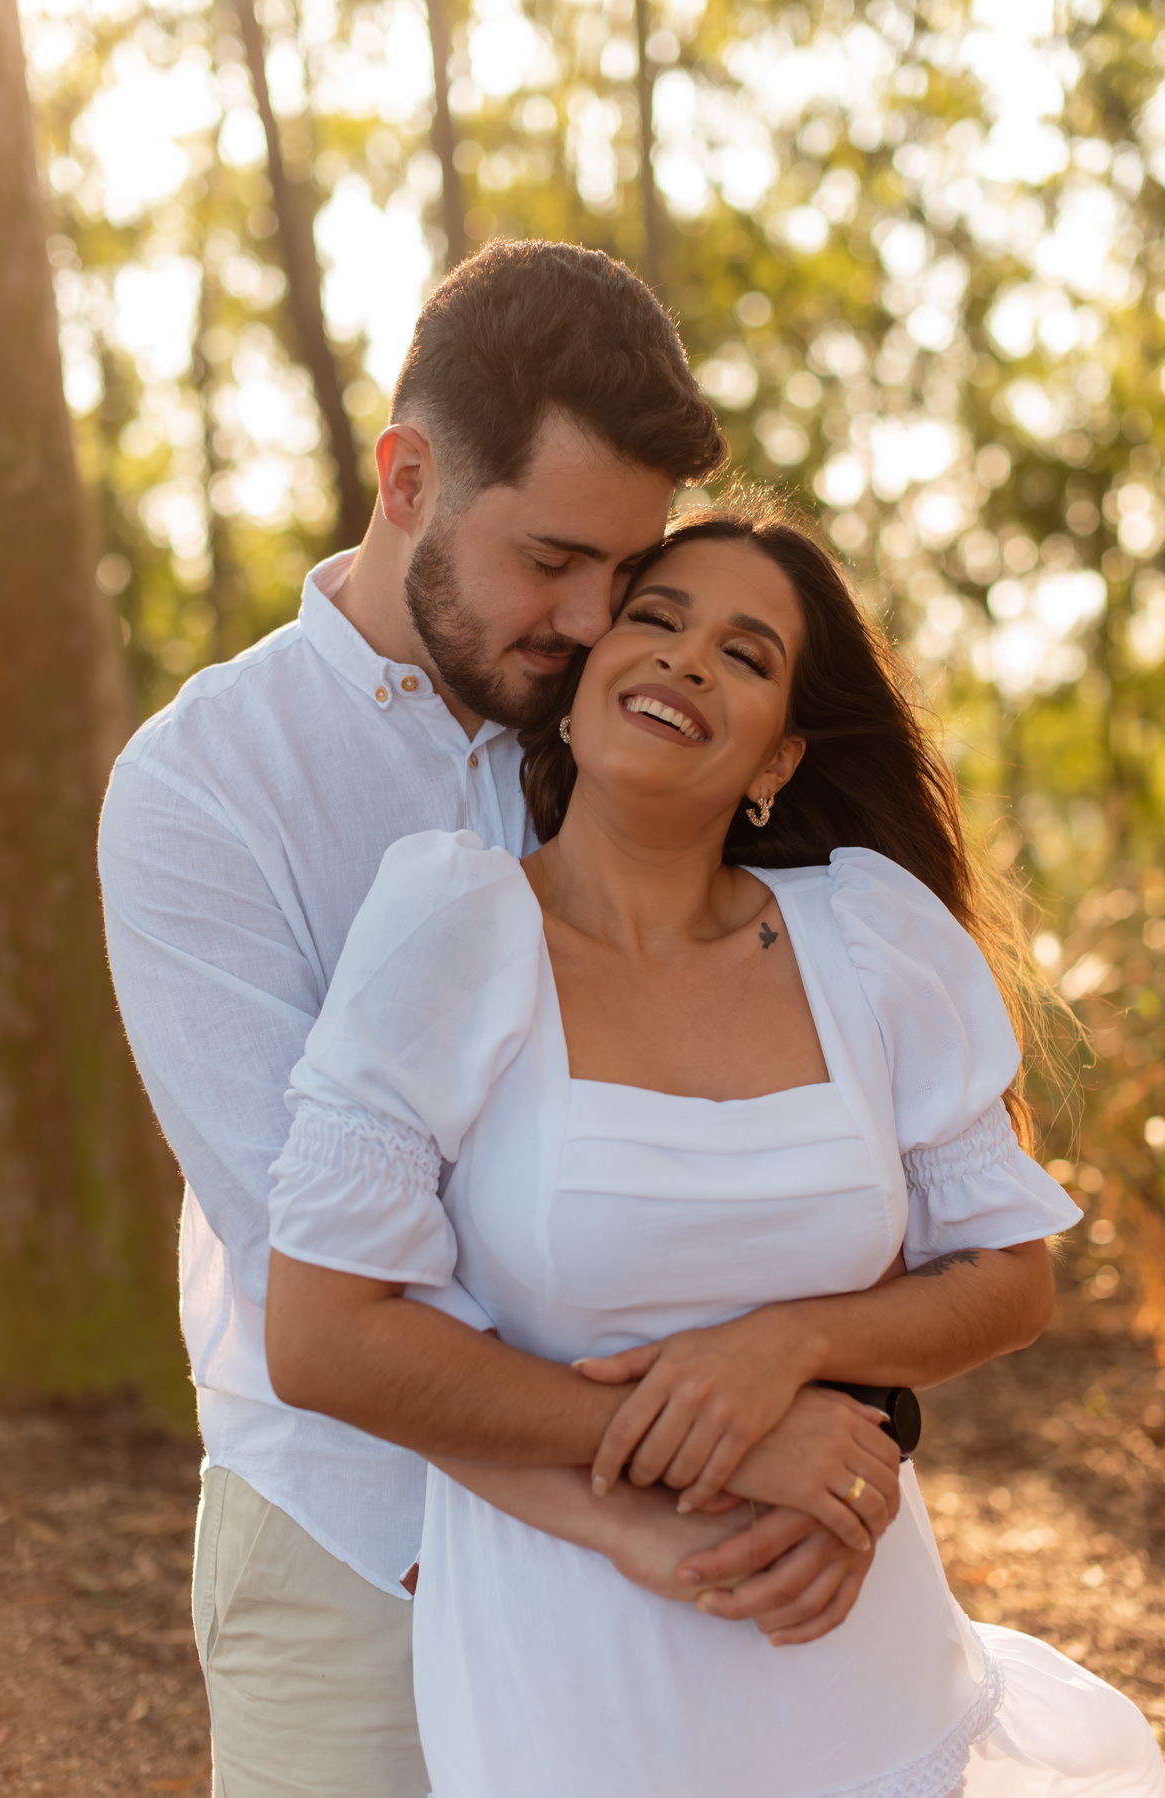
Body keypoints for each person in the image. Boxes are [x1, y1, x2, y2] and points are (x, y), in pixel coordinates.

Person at [101, 239, 1093, 1797]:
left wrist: (826, 1400)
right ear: (411, 476)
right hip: (364, 1545)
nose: (589, 617)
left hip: (724, 1564)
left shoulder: (640, 728)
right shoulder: (205, 792)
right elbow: (328, 1285)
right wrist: (683, 1469)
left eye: (623, 574)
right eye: (551, 557)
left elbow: (826, 1150)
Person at [265, 495, 1165, 1798]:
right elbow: (322, 1334)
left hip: (861, 1650)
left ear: (776, 761)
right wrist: (726, 1437)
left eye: (745, 655)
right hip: (574, 1677)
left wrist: (790, 1345)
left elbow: (1008, 1279)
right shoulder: (449, 931)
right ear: (575, 693)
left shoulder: (869, 936)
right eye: (657, 619)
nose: (688, 659)